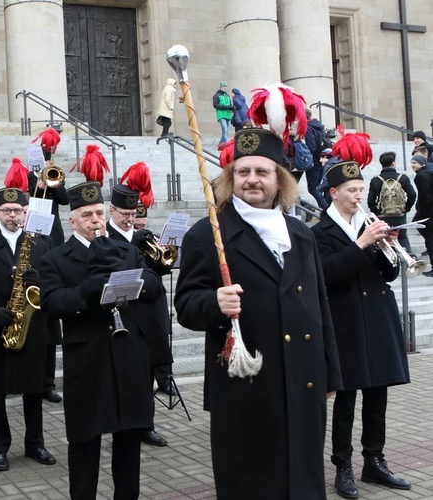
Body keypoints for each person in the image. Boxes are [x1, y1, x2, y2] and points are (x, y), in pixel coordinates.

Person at [174, 126, 342, 499]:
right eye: (242, 171)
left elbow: (319, 305)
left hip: (303, 379)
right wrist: (214, 303)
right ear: (230, 178)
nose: (252, 180)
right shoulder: (208, 234)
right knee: (254, 483)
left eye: (262, 172)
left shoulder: (300, 232)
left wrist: (330, 369)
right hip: (247, 388)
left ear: (279, 178)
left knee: (303, 479)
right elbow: (185, 305)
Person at [39, 181, 164, 499]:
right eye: (86, 215)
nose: (94, 220)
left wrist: (128, 281)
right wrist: (89, 290)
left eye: (97, 213)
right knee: (84, 443)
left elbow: (152, 284)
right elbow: (52, 304)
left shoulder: (125, 249)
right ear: (73, 220)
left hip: (128, 357)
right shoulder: (56, 258)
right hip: (88, 362)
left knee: (129, 441)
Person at [312, 156, 412, 498]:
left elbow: (389, 274)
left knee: (377, 393)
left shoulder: (368, 222)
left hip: (377, 316)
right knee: (346, 397)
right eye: (352, 190)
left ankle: (375, 460)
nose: (358, 196)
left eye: (360, 189)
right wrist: (362, 244)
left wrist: (389, 247)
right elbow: (326, 274)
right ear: (333, 193)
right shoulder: (318, 232)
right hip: (345, 321)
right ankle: (343, 466)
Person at [0, 188, 57, 472]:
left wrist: (39, 280)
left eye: (17, 211)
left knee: (34, 388)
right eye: (6, 211)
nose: (12, 216)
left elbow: (56, 282)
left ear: (25, 213)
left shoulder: (40, 244)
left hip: (31, 325)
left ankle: (35, 443)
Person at [105, 183, 172, 448]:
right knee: (122, 374)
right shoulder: (105, 236)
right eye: (124, 213)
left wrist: (160, 260)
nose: (130, 218)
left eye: (132, 214)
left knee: (147, 373)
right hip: (122, 314)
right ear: (112, 211)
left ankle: (147, 425)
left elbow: (158, 272)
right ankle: (120, 425)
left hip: (149, 311)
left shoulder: (142, 235)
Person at [29, 128, 68, 403]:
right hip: (32, 239)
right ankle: (33, 379)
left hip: (53, 239)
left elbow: (64, 201)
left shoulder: (54, 176)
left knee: (52, 323)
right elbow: (18, 203)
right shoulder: (27, 178)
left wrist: (53, 182)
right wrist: (36, 186)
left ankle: (49, 382)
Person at [132, 202, 174, 396]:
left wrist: (164, 258)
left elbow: (163, 269)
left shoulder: (151, 238)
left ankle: (165, 380)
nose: (141, 229)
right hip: (138, 299)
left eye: (143, 225)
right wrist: (133, 241)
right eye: (137, 226)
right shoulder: (128, 240)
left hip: (155, 297)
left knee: (161, 339)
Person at [367, 151, 416, 254]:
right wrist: (406, 209)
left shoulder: (375, 180)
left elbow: (370, 200)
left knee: (382, 239)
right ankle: (409, 258)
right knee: (402, 237)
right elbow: (412, 194)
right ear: (393, 162)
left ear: (381, 164)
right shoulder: (403, 178)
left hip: (382, 215)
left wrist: (376, 213)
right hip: (399, 215)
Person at [411, 153, 433, 276]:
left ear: (421, 163)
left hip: (428, 213)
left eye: (414, 163)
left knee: (430, 239)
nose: (412, 165)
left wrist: (422, 212)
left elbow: (426, 197)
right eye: (411, 162)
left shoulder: (422, 176)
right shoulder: (427, 172)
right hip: (428, 211)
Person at [304, 109, 330, 209]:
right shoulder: (318, 126)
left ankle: (326, 209)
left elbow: (312, 147)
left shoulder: (308, 128)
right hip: (322, 159)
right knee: (317, 187)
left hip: (314, 161)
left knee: (312, 188)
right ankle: (319, 208)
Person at [212, 81, 234, 145]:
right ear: (220, 87)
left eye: (225, 86)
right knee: (225, 129)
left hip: (228, 115)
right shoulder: (217, 95)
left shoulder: (227, 96)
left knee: (227, 131)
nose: (224, 88)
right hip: (221, 115)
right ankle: (225, 144)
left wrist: (232, 108)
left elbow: (230, 104)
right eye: (223, 86)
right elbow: (215, 105)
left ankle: (221, 143)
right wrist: (225, 107)